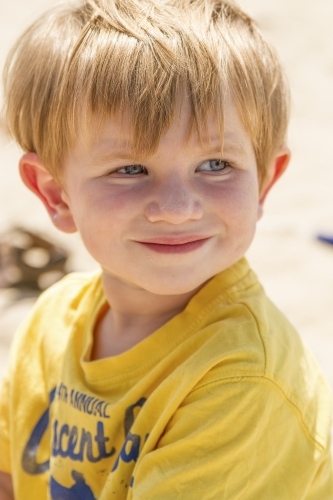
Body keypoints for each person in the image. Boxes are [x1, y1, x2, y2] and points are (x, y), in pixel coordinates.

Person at [0, 0, 332, 498]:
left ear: (264, 181)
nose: (177, 208)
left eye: (216, 164)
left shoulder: (241, 381)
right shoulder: (52, 320)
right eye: (129, 169)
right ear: (54, 192)